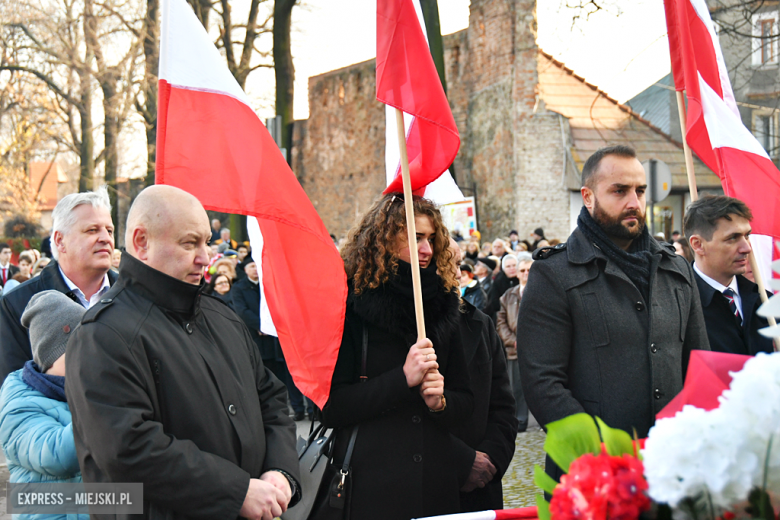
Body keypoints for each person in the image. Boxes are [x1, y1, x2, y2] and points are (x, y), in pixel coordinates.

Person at [65, 186, 300, 519]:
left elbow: (271, 398)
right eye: (189, 243)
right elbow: (128, 448)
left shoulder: (221, 316)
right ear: (141, 242)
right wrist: (235, 491)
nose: (205, 257)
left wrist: (280, 471)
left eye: (206, 242)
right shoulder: (103, 335)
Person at [517, 145, 710, 481]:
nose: (634, 202)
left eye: (640, 190)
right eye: (619, 191)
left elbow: (700, 366)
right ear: (588, 197)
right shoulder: (554, 274)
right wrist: (602, 452)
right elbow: (542, 383)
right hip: (593, 476)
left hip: (674, 470)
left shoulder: (676, 268)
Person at [323, 194, 474, 519]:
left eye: (432, 239)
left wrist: (441, 403)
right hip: (371, 488)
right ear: (383, 240)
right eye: (416, 238)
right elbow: (330, 408)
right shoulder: (349, 304)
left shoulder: (444, 305)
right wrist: (401, 379)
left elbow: (466, 401)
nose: (428, 250)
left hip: (435, 487)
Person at [0, 189, 117, 383]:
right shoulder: (15, 305)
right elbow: (13, 391)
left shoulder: (136, 296)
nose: (106, 238)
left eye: (109, 230)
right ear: (60, 241)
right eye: (92, 230)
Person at [0, 291, 88, 520]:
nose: (89, 355)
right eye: (76, 346)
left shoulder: (79, 390)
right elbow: (57, 454)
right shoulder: (18, 406)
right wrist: (108, 407)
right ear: (51, 356)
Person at [447, 239, 518, 512]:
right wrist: (462, 462)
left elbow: (503, 405)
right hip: (432, 484)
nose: (457, 273)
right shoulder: (411, 329)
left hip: (482, 485)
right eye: (449, 263)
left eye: (459, 263)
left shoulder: (479, 322)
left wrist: (490, 460)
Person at [684, 195, 774, 356]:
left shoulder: (765, 301)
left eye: (747, 236)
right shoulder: (680, 306)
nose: (746, 248)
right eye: (733, 238)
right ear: (698, 245)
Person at [232, 255, 312, 421]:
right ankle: (281, 410)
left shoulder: (269, 284)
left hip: (279, 338)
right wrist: (261, 325)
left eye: (256, 266)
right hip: (258, 339)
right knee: (270, 376)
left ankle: (303, 408)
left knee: (289, 374)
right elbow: (242, 311)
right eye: (251, 266)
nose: (255, 269)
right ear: (245, 269)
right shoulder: (240, 288)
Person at [497, 257, 533, 433]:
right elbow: (501, 322)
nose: (526, 274)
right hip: (514, 349)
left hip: (536, 349)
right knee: (516, 387)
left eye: (529, 270)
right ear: (517, 273)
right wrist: (513, 341)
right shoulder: (508, 295)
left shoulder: (540, 291)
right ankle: (521, 420)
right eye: (522, 270)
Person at [484, 254, 519, 320]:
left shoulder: (523, 279)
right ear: (503, 268)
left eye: (514, 265)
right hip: (503, 314)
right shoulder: (499, 280)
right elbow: (494, 301)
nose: (512, 268)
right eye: (508, 266)